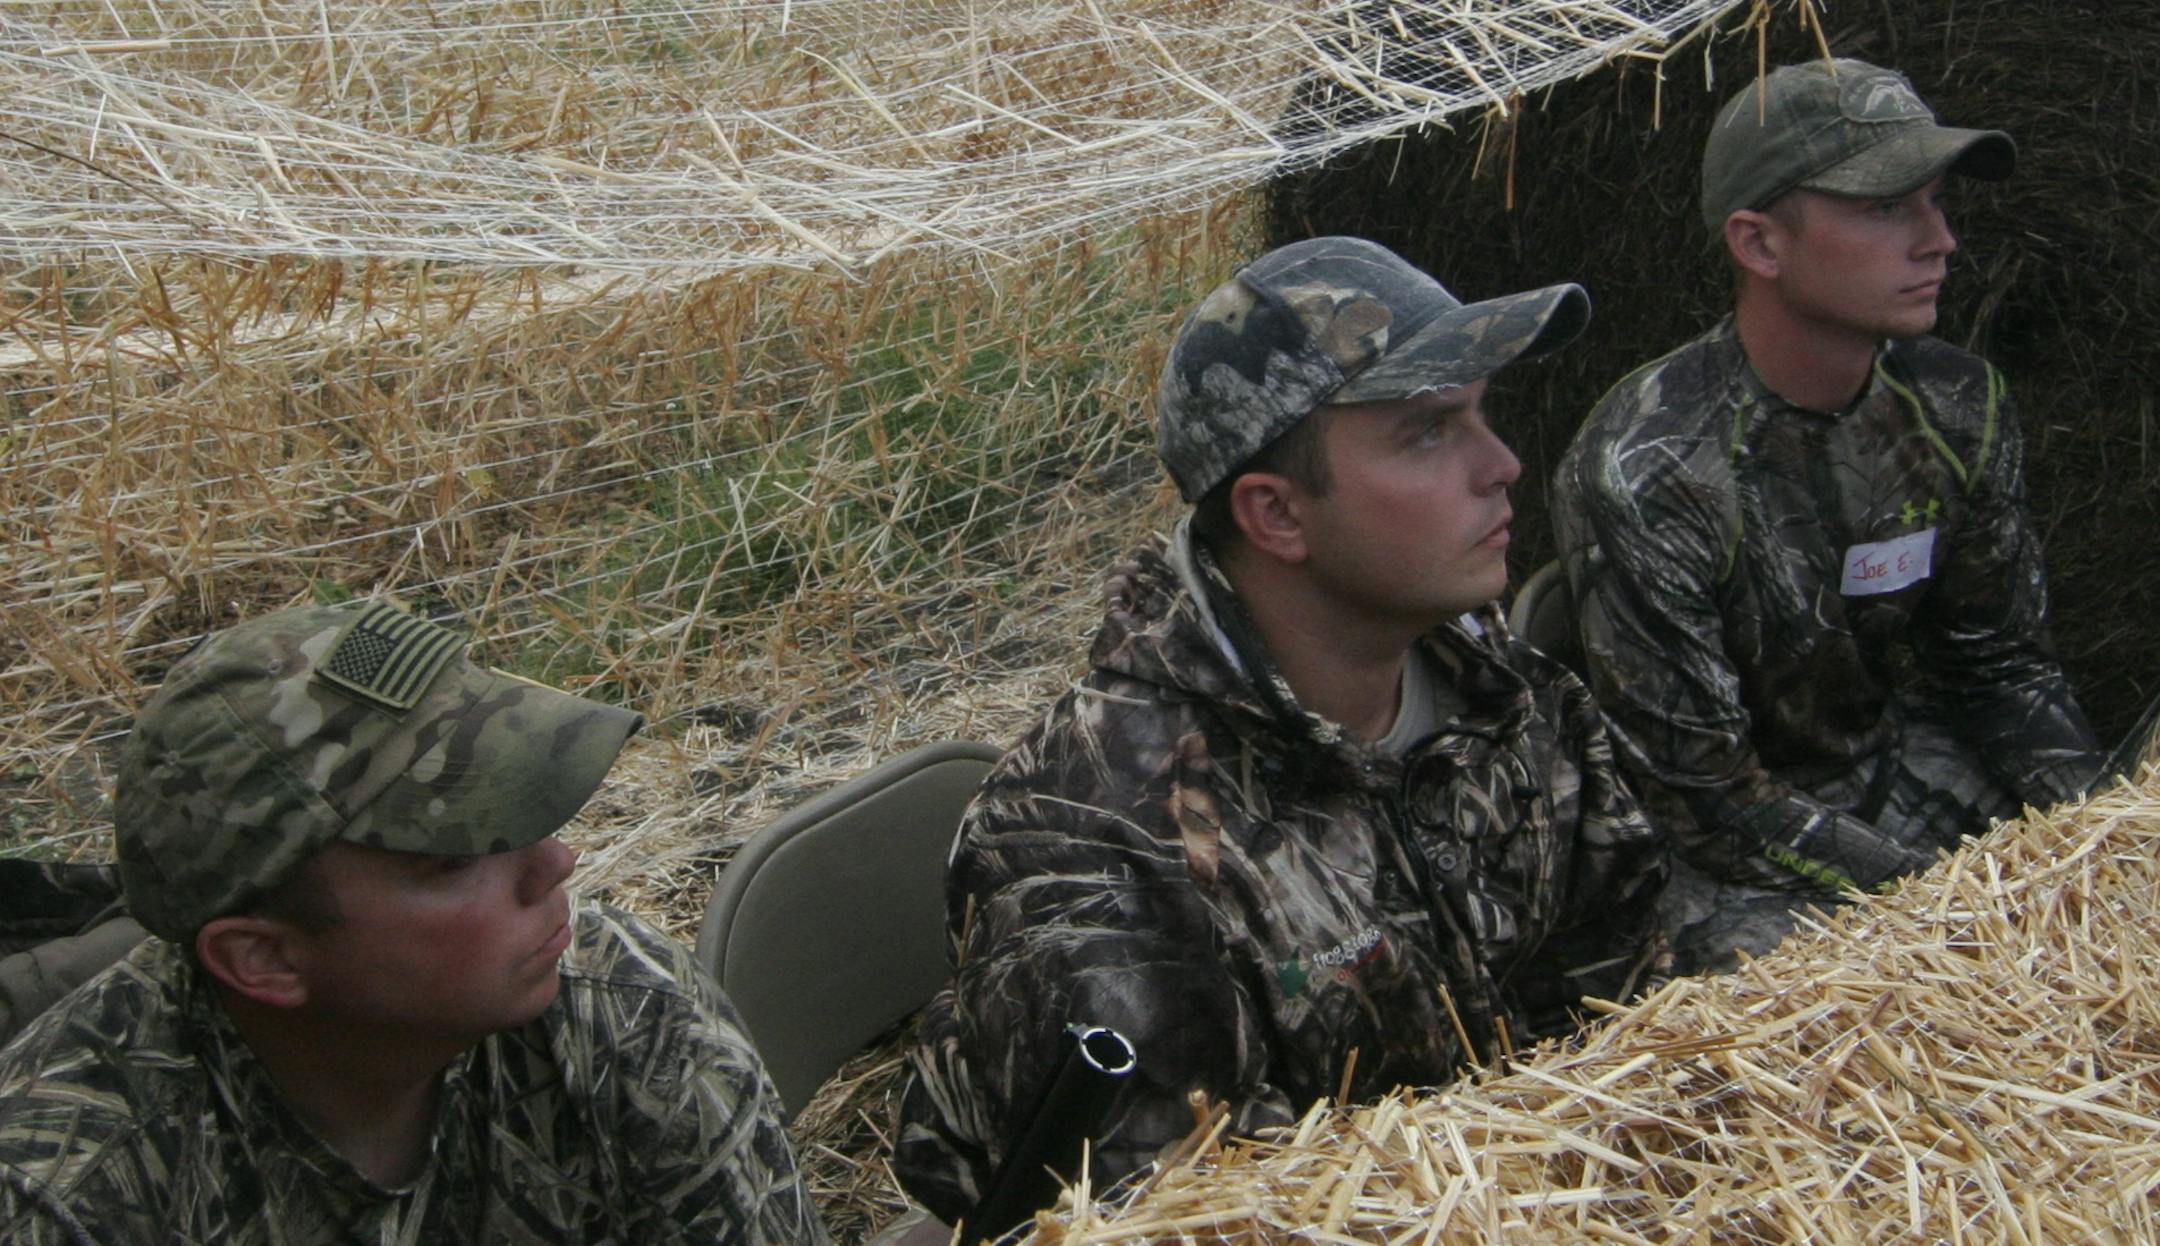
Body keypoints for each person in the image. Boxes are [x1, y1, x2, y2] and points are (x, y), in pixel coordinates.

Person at [893, 236, 1667, 1225]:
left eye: (1482, 414)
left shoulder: (1503, 690)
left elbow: (1628, 1005)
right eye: (1430, 431)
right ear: (1277, 515)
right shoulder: (1095, 836)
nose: (1504, 465)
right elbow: (1206, 1212)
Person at [0, 601, 830, 1245]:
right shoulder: (70, 1189)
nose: (555, 865)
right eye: (451, 858)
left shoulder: (622, 1008)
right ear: (263, 960)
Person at [1550, 59, 2105, 975]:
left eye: (1935, 202)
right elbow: (1707, 796)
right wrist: (1943, 905)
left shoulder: (1961, 406)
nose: (1941, 241)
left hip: (1901, 770)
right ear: (1759, 244)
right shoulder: (1649, 468)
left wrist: (2101, 835)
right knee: (1801, 1001)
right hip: (1725, 853)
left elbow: (2001, 666)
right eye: (1889, 209)